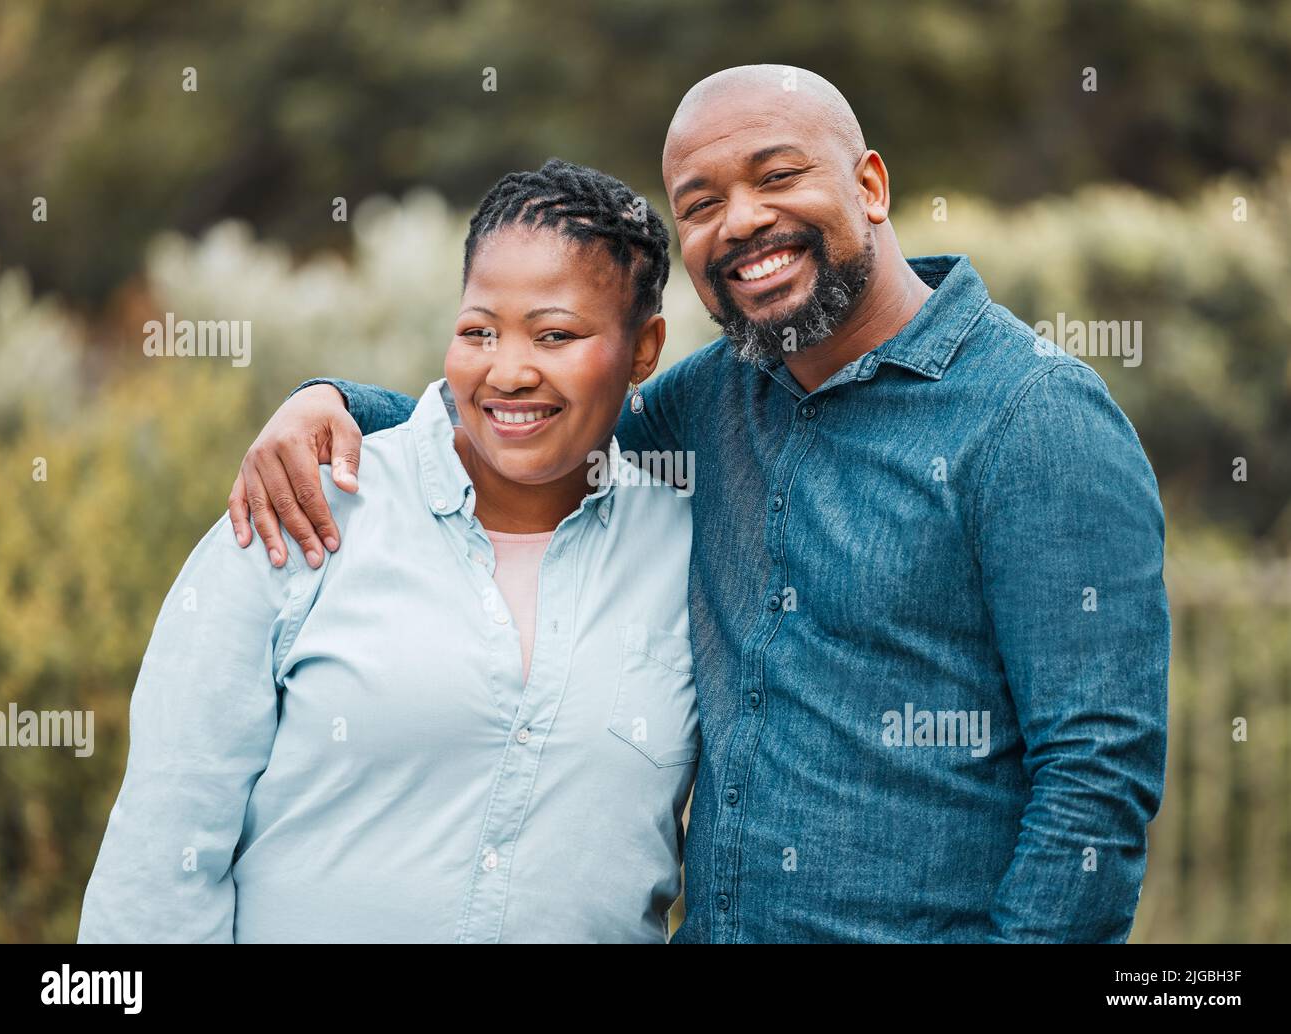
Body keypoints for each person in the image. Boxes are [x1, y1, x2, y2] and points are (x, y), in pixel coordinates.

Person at [226, 66, 1171, 943]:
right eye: (703, 205)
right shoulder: (717, 397)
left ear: (870, 187)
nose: (744, 222)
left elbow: (1097, 775)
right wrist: (340, 404)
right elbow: (546, 435)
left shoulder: (1034, 418)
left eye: (777, 177)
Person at [79, 160, 701, 943]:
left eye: (556, 335)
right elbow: (163, 851)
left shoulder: (689, 551)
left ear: (645, 349)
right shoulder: (304, 507)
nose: (507, 371)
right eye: (478, 330)